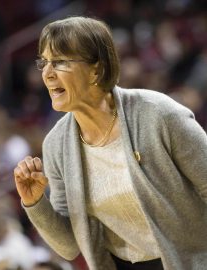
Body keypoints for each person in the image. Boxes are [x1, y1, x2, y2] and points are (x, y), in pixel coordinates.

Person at [13, 16, 207, 270]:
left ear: (96, 69)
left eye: (59, 62)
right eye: (44, 63)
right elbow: (70, 246)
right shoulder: (56, 146)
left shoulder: (158, 114)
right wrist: (35, 202)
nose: (47, 74)